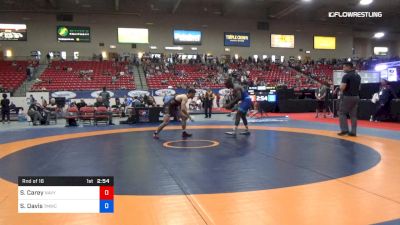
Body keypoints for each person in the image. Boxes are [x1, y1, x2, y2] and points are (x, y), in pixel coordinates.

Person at [338, 62, 361, 137]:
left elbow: (342, 87)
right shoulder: (358, 76)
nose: (343, 68)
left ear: (348, 67)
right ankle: (353, 132)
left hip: (348, 97)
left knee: (342, 113)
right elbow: (359, 87)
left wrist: (340, 87)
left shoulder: (346, 76)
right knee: (353, 115)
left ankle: (344, 130)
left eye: (344, 67)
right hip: (356, 97)